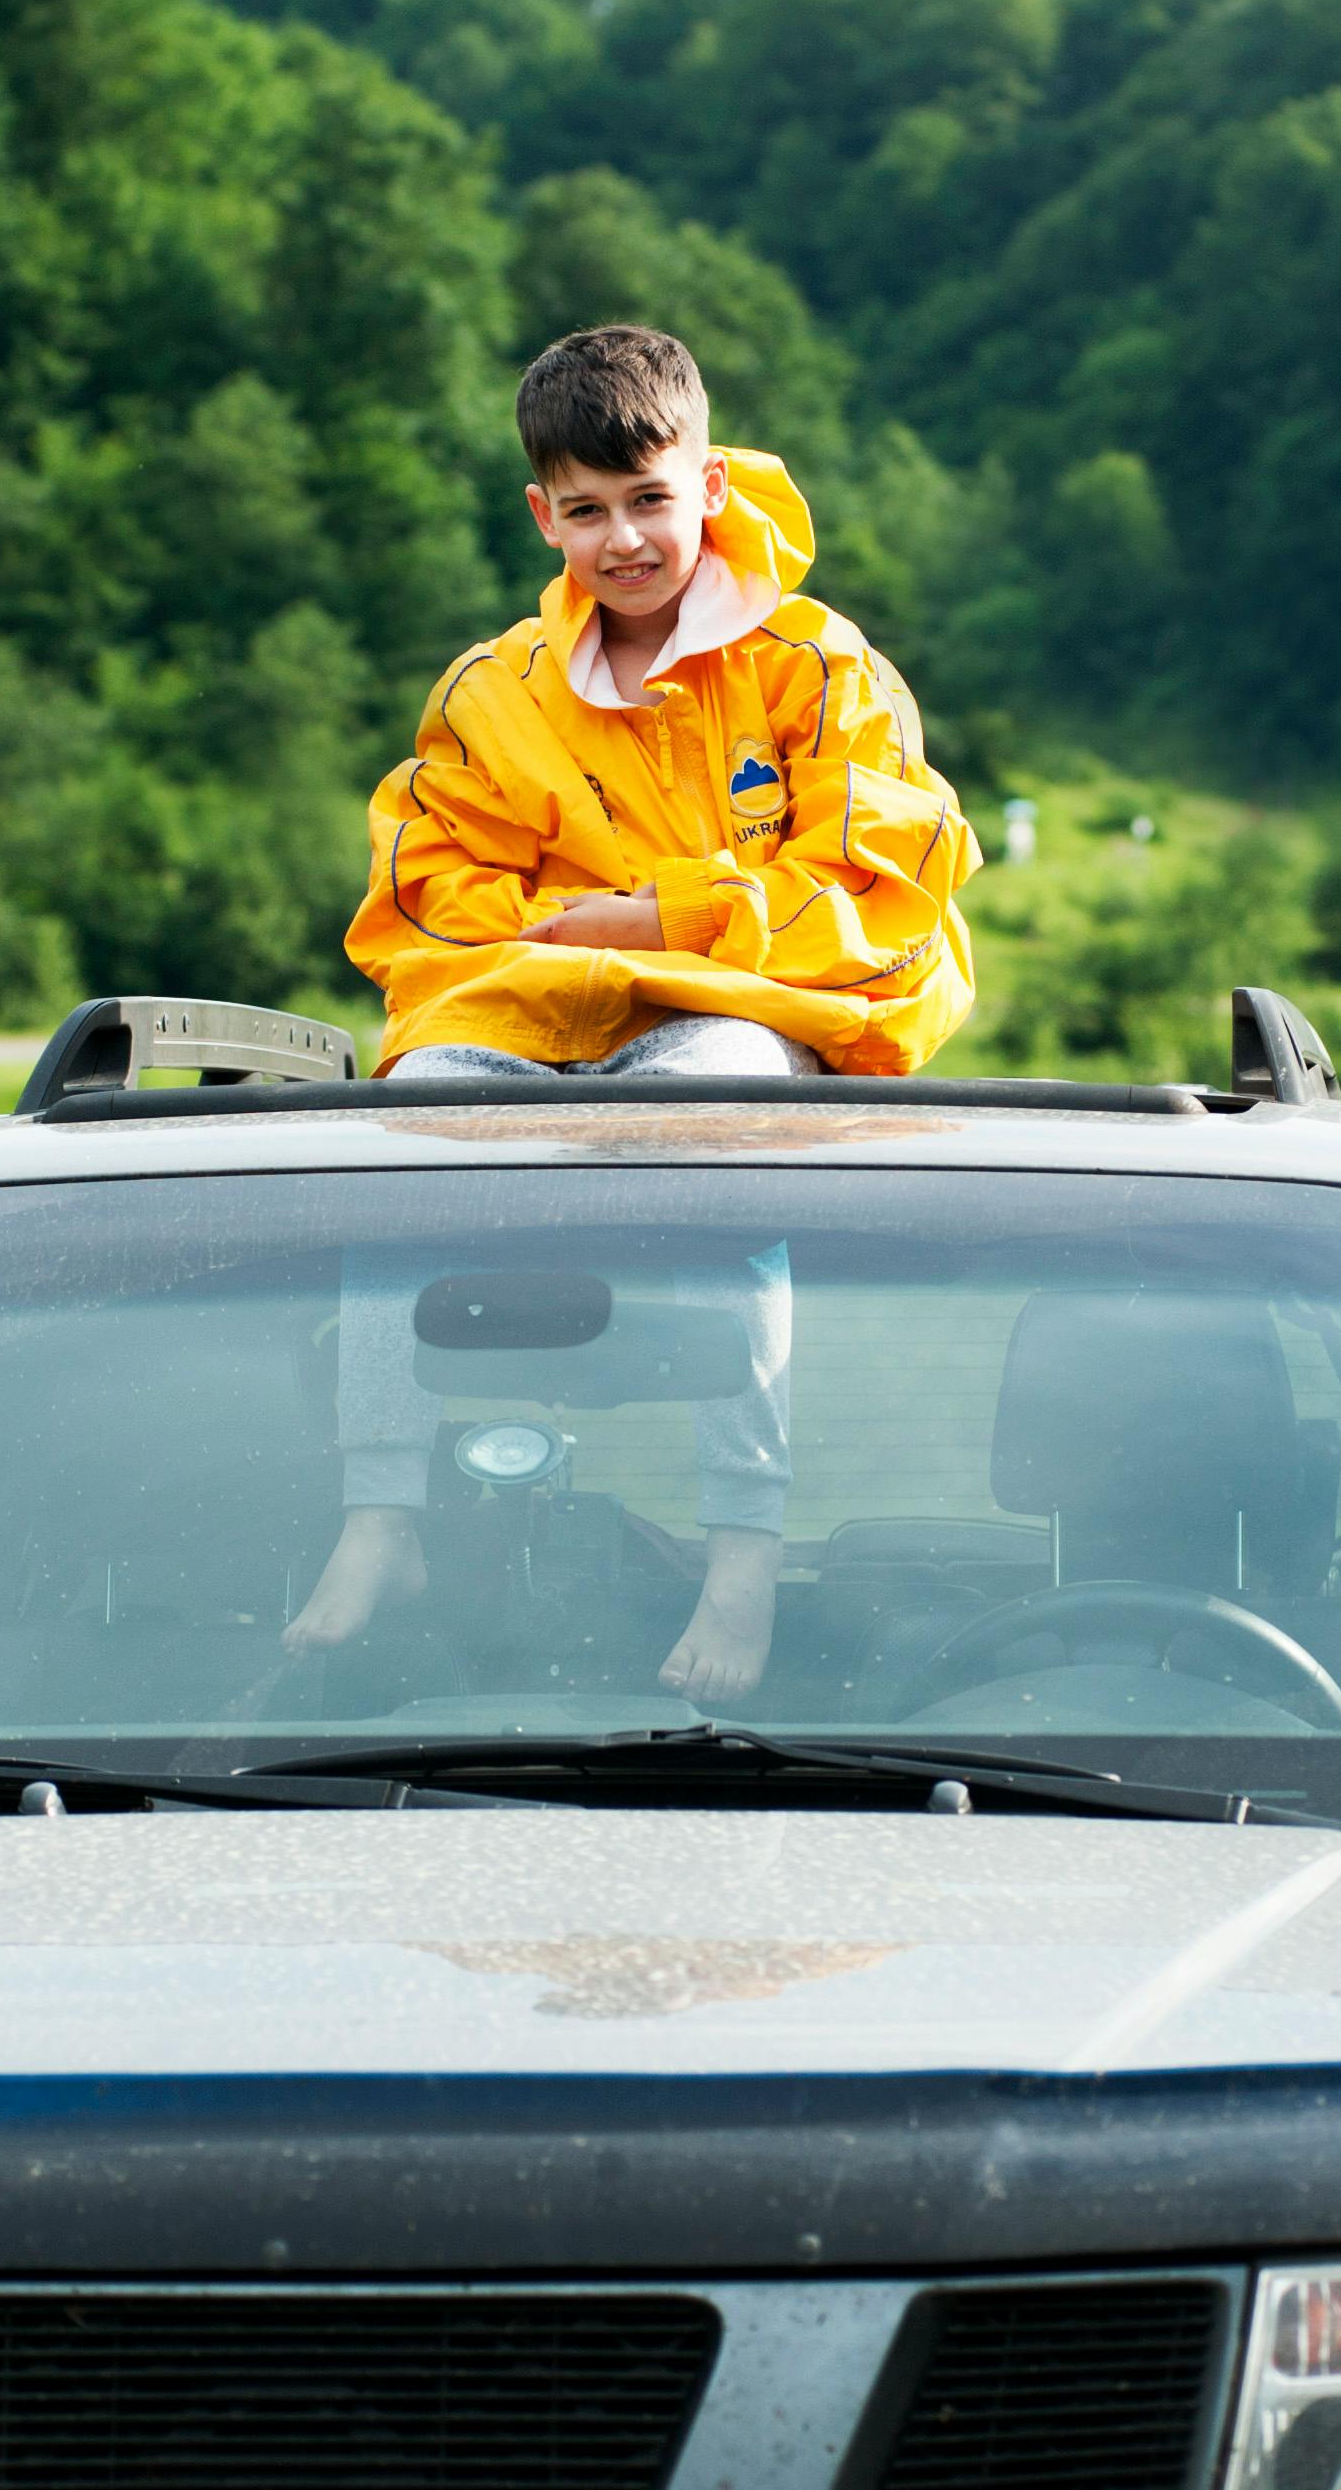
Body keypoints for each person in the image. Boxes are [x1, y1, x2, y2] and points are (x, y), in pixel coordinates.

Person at [291, 323, 982, 1703]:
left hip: (742, 1001)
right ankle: (384, 1511)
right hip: (548, 1005)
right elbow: (431, 876)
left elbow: (876, 872)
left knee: (718, 1111)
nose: (626, 541)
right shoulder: (497, 690)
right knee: (401, 1124)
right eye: (589, 512)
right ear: (544, 515)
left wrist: (655, 919)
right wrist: (568, 947)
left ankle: (742, 1551)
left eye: (651, 501)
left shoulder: (815, 665)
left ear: (710, 486)